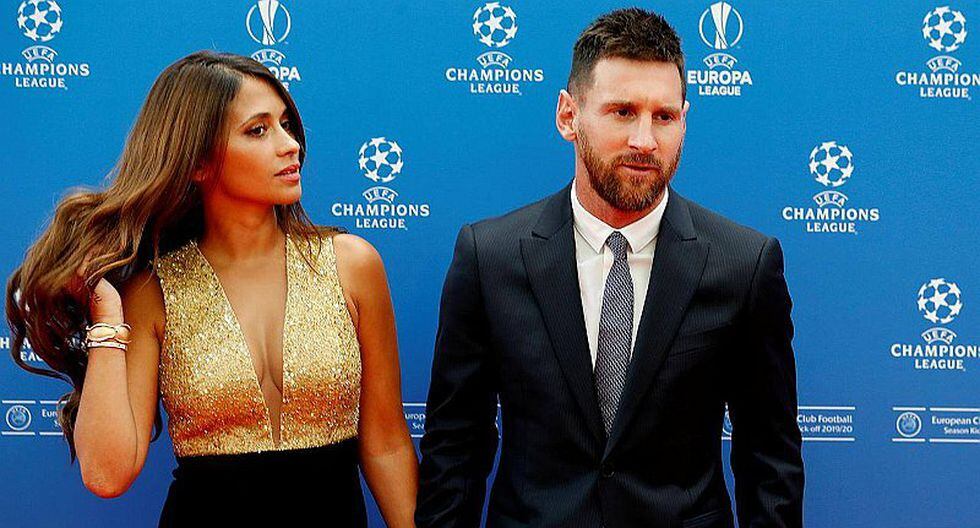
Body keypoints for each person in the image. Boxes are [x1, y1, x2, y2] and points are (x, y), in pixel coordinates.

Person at [417, 8, 804, 528]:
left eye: (664, 116)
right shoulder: (490, 257)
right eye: (623, 112)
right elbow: (455, 448)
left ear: (684, 120)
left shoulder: (744, 265)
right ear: (568, 116)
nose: (645, 140)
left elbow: (769, 459)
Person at [6, 51, 417, 526]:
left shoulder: (352, 265)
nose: (290, 146)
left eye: (286, 125)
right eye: (257, 130)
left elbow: (386, 442)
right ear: (198, 162)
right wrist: (105, 313)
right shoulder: (153, 290)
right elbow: (106, 474)